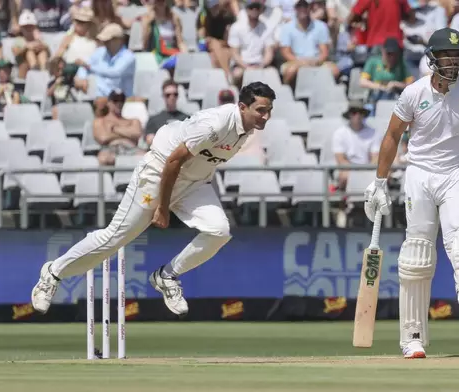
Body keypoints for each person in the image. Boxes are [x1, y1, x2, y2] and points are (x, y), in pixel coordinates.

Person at [30, 82, 276, 317]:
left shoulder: (246, 129)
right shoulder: (217, 123)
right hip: (159, 173)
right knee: (114, 238)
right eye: (261, 110)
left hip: (194, 182)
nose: (265, 116)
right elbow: (173, 161)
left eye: (269, 111)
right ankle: (52, 273)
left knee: (220, 231)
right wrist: (162, 207)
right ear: (242, 107)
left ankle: (167, 276)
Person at [364, 28, 459, 359]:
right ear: (432, 59)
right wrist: (379, 182)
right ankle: (412, 337)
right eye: (447, 56)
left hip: (458, 174)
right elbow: (392, 136)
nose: (453, 61)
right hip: (419, 174)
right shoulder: (413, 92)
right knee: (417, 256)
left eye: (457, 55)